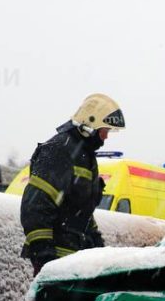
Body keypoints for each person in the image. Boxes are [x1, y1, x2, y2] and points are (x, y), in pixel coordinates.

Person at [21, 93, 126, 275]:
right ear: (90, 126)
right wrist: (44, 255)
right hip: (58, 263)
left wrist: (98, 245)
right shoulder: (58, 151)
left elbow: (81, 210)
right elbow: (35, 207)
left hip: (76, 264)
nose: (106, 137)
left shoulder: (85, 157)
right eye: (104, 131)